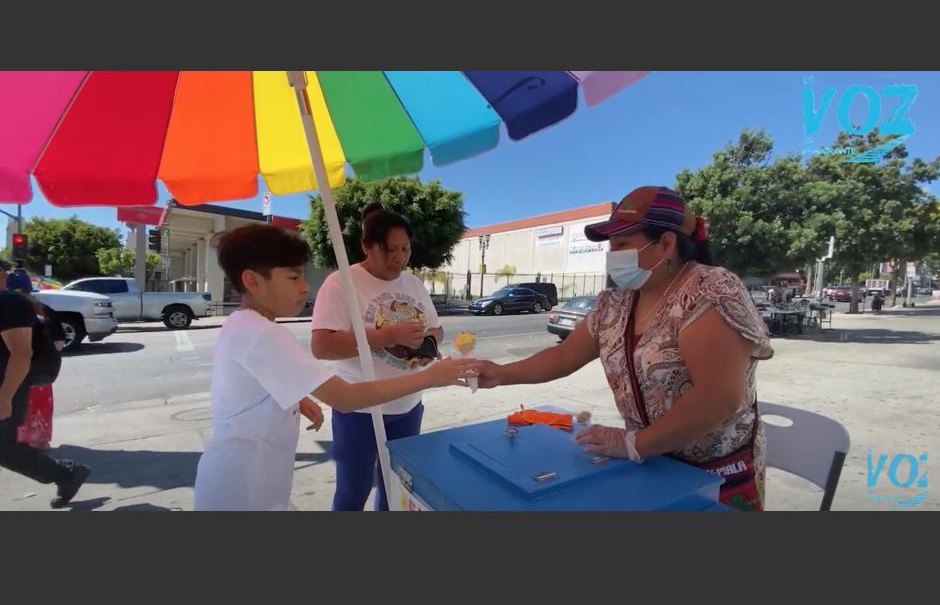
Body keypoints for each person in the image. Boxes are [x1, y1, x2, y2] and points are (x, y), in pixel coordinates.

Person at [469, 186, 774, 511]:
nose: (612, 256)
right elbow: (564, 355)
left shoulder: (709, 291)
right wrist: (500, 373)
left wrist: (634, 444)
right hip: (650, 466)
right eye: (611, 247)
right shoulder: (614, 303)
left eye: (623, 245)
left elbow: (719, 398)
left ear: (667, 244)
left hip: (717, 474)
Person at [193, 224, 475, 511]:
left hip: (250, 478)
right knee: (354, 489)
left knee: (392, 485)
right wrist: (430, 378)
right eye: (292, 277)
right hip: (241, 489)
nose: (304, 287)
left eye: (302, 275)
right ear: (252, 281)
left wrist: (299, 397)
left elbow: (255, 381)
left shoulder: (246, 324)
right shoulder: (262, 333)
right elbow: (344, 398)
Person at [311, 203, 443, 511]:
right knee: (353, 492)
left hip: (409, 406)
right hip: (360, 412)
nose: (399, 258)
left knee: (395, 490)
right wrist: (386, 337)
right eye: (389, 249)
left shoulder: (413, 283)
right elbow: (322, 346)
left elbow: (437, 330)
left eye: (405, 249)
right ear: (366, 246)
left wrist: (424, 347)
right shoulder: (341, 282)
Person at [0, 262, 90, 509]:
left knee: (4, 448)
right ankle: (65, 474)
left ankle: (66, 474)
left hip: (9, 385)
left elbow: (21, 354)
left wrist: (5, 397)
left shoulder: (9, 303)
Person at [6, 267, 65, 450]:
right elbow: (59, 343)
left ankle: (14, 444)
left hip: (13, 371)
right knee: (39, 408)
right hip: (41, 371)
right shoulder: (44, 311)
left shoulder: (7, 309)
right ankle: (39, 441)